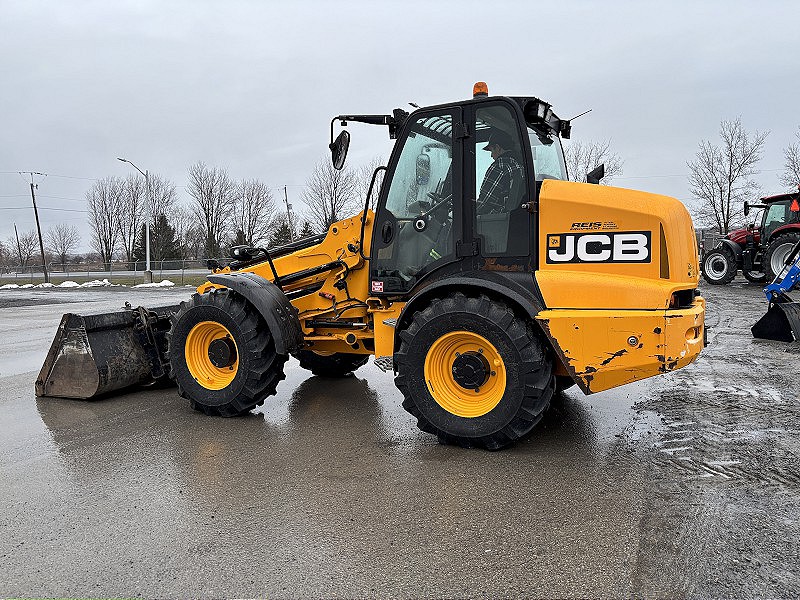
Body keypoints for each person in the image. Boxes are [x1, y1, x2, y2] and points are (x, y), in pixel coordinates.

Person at [477, 130, 524, 214]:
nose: (491, 155)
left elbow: (484, 202)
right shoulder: (520, 167)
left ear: (498, 147)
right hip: (512, 218)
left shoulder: (500, 165)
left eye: (491, 150)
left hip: (495, 221)